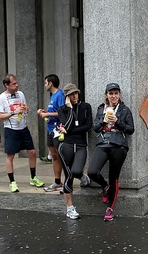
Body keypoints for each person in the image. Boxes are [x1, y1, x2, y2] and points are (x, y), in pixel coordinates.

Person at [88, 83, 134, 221]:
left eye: (116, 93)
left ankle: (110, 208)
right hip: (103, 143)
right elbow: (95, 128)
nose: (113, 96)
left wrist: (118, 122)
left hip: (119, 145)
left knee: (114, 177)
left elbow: (131, 129)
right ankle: (105, 186)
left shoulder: (125, 110)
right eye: (111, 93)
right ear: (106, 95)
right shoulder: (102, 108)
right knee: (92, 172)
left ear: (119, 95)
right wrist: (103, 120)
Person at [0, 74, 45, 193]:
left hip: (23, 127)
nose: (17, 85)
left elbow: (24, 107)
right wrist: (13, 112)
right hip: (11, 129)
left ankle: (33, 177)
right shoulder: (1, 98)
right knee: (10, 156)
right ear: (6, 85)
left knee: (32, 152)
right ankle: (12, 182)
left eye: (17, 83)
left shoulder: (20, 94)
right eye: (14, 84)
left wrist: (25, 109)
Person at [58, 83, 93, 219]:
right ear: (66, 96)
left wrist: (71, 130)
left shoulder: (86, 107)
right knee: (69, 176)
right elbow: (66, 124)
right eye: (71, 94)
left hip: (80, 144)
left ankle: (83, 177)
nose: (75, 96)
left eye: (76, 93)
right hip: (65, 145)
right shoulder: (62, 109)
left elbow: (88, 126)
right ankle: (70, 208)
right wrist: (70, 109)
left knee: (77, 171)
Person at [37, 74, 65, 192]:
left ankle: (68, 180)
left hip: (58, 130)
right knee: (54, 156)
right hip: (50, 129)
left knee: (62, 155)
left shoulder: (60, 95)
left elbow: (62, 113)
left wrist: (47, 114)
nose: (45, 85)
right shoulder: (52, 95)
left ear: (50, 83)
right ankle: (57, 181)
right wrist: (45, 112)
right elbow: (54, 111)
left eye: (45, 83)